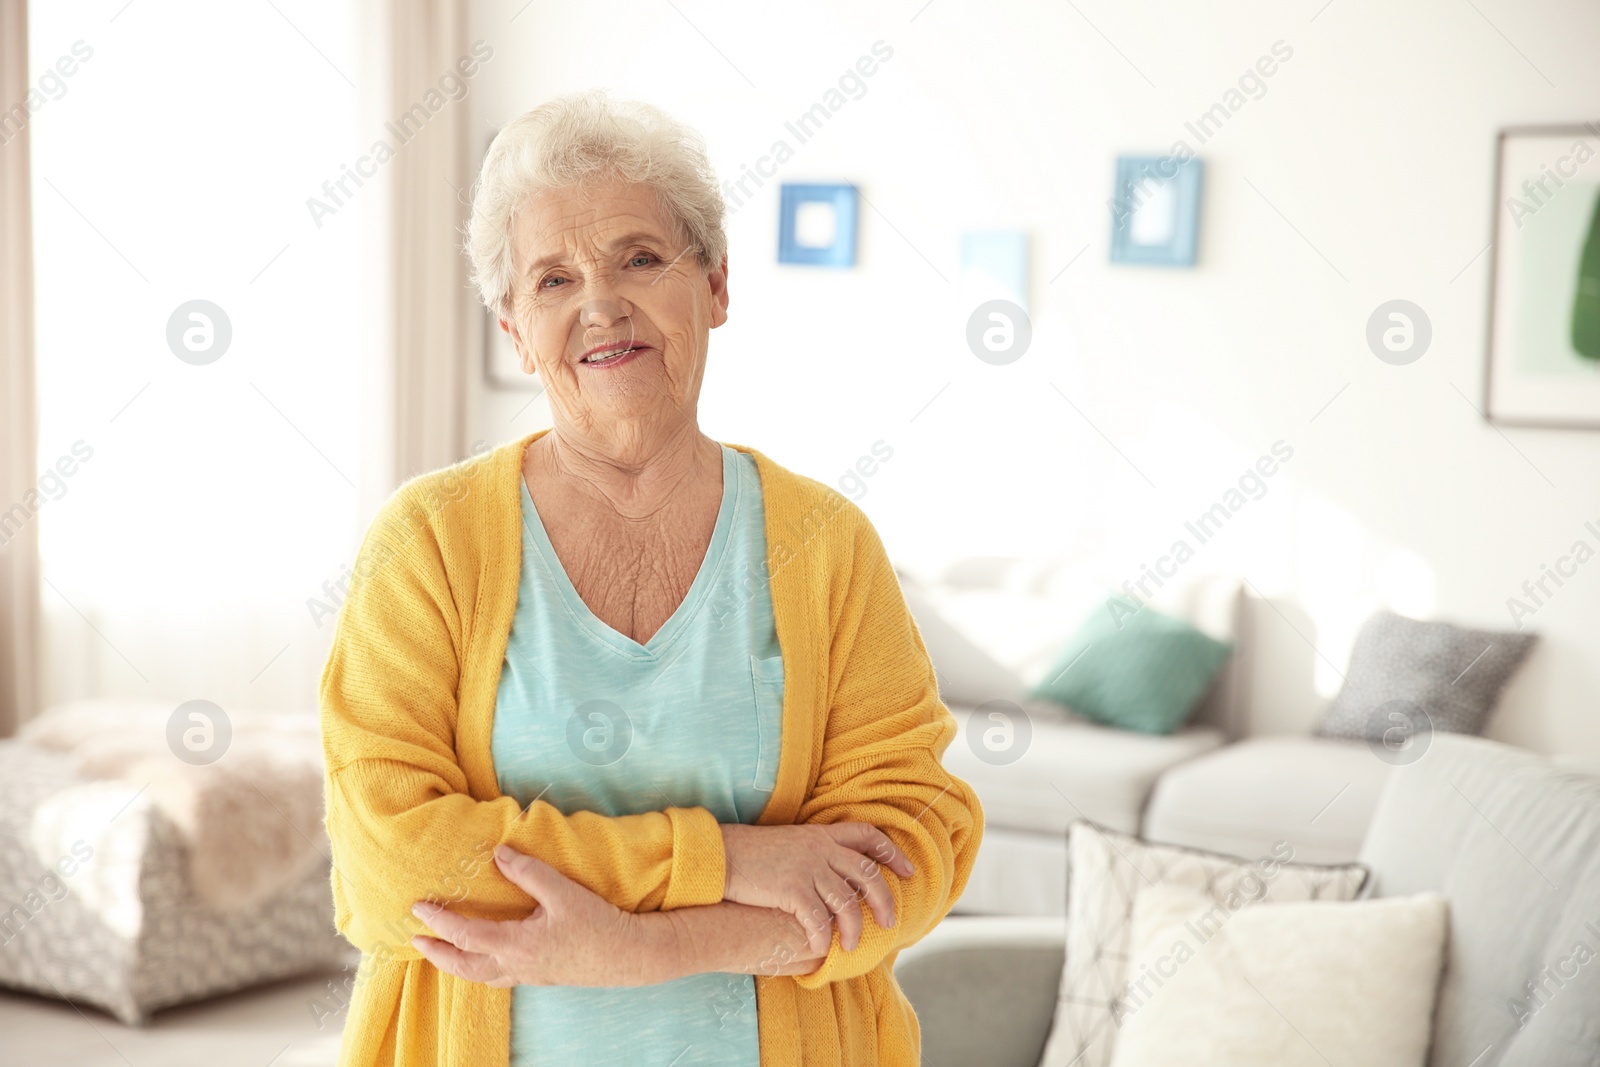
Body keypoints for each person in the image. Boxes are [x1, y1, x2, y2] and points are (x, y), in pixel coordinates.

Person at [319, 90, 983, 1066]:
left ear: (714, 285)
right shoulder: (428, 542)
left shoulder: (826, 544)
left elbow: (908, 848)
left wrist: (643, 947)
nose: (600, 304)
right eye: (552, 278)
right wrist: (732, 862)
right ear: (513, 329)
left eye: (639, 257)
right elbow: (393, 865)